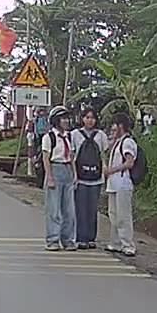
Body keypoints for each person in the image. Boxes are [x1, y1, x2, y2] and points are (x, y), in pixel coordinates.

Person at [71, 107, 109, 249]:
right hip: (80, 178)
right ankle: (81, 238)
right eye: (87, 117)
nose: (90, 120)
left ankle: (91, 238)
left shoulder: (101, 135)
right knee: (80, 209)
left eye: (92, 118)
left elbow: (103, 155)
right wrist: (74, 175)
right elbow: (72, 156)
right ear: (82, 119)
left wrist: (104, 170)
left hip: (96, 178)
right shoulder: (75, 135)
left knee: (93, 209)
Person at [40, 105, 77, 251]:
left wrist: (74, 174)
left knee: (69, 209)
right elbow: (46, 158)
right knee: (54, 209)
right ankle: (52, 239)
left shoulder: (69, 136)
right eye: (63, 119)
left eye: (67, 118)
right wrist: (49, 177)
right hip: (55, 169)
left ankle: (68, 239)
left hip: (67, 170)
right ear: (56, 120)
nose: (66, 121)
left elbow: (71, 156)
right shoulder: (49, 137)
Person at [105, 112, 138, 257]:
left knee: (123, 216)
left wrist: (111, 170)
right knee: (113, 214)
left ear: (121, 126)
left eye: (115, 125)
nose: (112, 128)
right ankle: (116, 242)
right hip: (113, 183)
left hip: (123, 183)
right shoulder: (117, 142)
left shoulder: (127, 142)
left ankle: (128, 245)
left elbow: (129, 163)